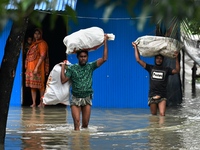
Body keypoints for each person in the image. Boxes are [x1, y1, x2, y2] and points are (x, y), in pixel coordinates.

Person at [61, 34, 109, 131]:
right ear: (78, 57)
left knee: (85, 124)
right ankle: (76, 144)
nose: (83, 58)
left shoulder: (90, 66)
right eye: (81, 56)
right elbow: (63, 80)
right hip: (75, 98)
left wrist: (105, 42)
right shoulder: (72, 68)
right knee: (77, 123)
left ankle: (84, 144)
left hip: (87, 98)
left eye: (85, 56)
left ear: (87, 57)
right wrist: (63, 68)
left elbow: (104, 58)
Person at [132, 42, 180, 116]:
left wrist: (176, 58)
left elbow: (177, 70)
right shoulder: (150, 68)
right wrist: (135, 47)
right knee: (153, 116)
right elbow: (138, 60)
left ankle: (161, 127)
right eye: (157, 58)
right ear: (155, 59)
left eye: (160, 59)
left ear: (163, 60)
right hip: (152, 95)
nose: (159, 60)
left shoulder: (166, 69)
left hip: (162, 96)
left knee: (162, 114)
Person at [25, 28, 49, 107]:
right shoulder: (33, 44)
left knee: (41, 85)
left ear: (41, 35)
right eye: (35, 34)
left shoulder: (42, 43)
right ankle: (34, 102)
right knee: (33, 86)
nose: (37, 35)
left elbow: (42, 56)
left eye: (38, 34)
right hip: (30, 68)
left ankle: (42, 102)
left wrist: (36, 67)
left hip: (38, 68)